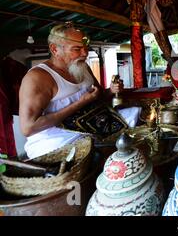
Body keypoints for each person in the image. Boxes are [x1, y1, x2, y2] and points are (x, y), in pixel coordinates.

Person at [19, 23, 123, 159]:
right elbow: (28, 128)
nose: (85, 53)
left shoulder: (82, 66)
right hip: (56, 142)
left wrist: (111, 90)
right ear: (55, 49)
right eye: (77, 49)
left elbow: (99, 95)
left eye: (86, 48)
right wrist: (80, 103)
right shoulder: (38, 77)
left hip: (92, 127)